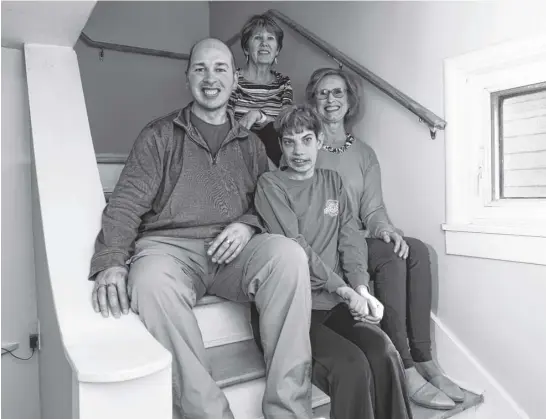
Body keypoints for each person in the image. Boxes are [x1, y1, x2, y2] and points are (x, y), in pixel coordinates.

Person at [88, 38, 314, 419]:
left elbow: (273, 201)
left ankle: (289, 410)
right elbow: (125, 202)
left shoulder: (252, 145)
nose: (211, 78)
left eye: (221, 68)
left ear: (234, 80)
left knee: (290, 257)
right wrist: (111, 259)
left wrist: (247, 224)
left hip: (234, 249)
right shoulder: (158, 135)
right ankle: (207, 413)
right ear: (187, 77)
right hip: (171, 249)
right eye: (201, 69)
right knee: (148, 280)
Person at [306, 67, 464, 410]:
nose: (330, 100)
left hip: (359, 235)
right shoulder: (306, 146)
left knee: (416, 250)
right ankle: (403, 368)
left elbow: (373, 209)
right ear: (313, 102)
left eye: (338, 93)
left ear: (350, 102)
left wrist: (387, 230)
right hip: (328, 242)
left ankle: (426, 360)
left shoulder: (364, 153)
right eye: (322, 93)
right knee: (390, 259)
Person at [253, 104, 413, 419]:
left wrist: (362, 288)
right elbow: (295, 246)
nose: (298, 150)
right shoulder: (271, 186)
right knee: (351, 366)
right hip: (292, 310)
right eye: (289, 141)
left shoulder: (333, 182)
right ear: (281, 145)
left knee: (385, 353)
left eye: (306, 139)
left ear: (320, 140)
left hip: (335, 303)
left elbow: (350, 236)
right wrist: (344, 290)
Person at [229, 14, 293, 166]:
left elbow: (288, 124)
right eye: (257, 38)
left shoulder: (283, 83)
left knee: (273, 131)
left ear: (277, 50)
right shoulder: (232, 79)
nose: (264, 43)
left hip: (274, 158)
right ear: (246, 48)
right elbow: (223, 124)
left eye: (270, 38)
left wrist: (258, 116)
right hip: (238, 156)